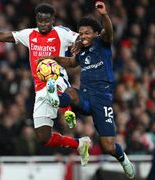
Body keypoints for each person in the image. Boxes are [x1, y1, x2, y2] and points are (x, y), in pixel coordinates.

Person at [0, 3, 91, 165]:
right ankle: (79, 144)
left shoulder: (61, 32)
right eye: (40, 20)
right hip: (40, 89)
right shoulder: (29, 35)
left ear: (53, 20)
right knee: (44, 138)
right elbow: (3, 36)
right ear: (36, 19)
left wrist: (78, 43)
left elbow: (80, 38)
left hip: (57, 79)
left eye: (46, 21)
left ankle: (67, 109)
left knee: (57, 85)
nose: (43, 24)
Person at [44, 1, 135, 178]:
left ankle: (123, 158)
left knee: (108, 146)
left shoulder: (103, 43)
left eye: (87, 32)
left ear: (95, 34)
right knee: (70, 92)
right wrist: (52, 58)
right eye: (81, 33)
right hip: (85, 95)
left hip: (102, 99)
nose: (83, 35)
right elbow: (70, 63)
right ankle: (56, 99)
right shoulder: (82, 53)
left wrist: (104, 15)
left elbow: (108, 31)